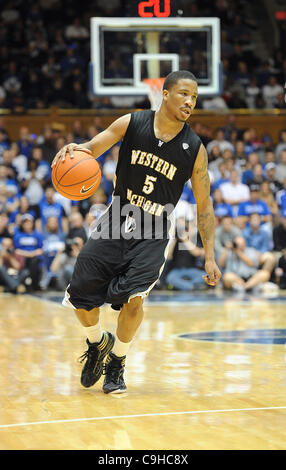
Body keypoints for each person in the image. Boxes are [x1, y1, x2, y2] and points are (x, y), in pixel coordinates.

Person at [52, 70, 221, 394]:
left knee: (133, 301)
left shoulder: (194, 148)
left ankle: (117, 361)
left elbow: (204, 206)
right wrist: (77, 149)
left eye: (195, 98)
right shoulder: (132, 123)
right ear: (166, 94)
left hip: (155, 227)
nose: (190, 102)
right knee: (81, 297)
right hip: (118, 216)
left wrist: (209, 257)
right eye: (184, 94)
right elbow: (92, 147)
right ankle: (98, 343)